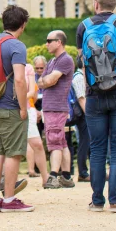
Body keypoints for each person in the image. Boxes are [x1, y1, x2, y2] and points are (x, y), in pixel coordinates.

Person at [77, 0, 116, 213]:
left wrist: (88, 90)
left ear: (95, 4)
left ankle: (97, 200)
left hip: (94, 95)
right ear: (115, 4)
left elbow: (84, 65)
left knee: (97, 148)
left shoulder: (83, 26)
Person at [0, 5, 33, 214]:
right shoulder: (16, 46)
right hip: (9, 106)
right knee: (13, 153)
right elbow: (20, 80)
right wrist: (23, 108)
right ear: (22, 25)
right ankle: (10, 198)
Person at [38, 30, 75, 189]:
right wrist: (46, 81)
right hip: (52, 107)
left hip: (56, 107)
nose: (46, 43)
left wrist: (47, 81)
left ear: (59, 42)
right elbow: (40, 82)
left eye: (49, 40)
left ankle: (53, 176)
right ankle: (66, 176)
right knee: (61, 141)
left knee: (54, 142)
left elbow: (50, 80)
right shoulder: (53, 61)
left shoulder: (65, 60)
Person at [25, 62, 48, 185]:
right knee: (36, 144)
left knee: (34, 143)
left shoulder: (28, 68)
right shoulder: (27, 68)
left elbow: (33, 94)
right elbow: (33, 94)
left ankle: (42, 176)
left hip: (28, 109)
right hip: (28, 108)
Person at [71, 56, 90, 182]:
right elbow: (81, 98)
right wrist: (89, 115)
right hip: (82, 115)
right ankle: (83, 172)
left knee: (88, 142)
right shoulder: (78, 77)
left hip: (84, 114)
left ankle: (88, 171)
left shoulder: (83, 75)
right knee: (85, 142)